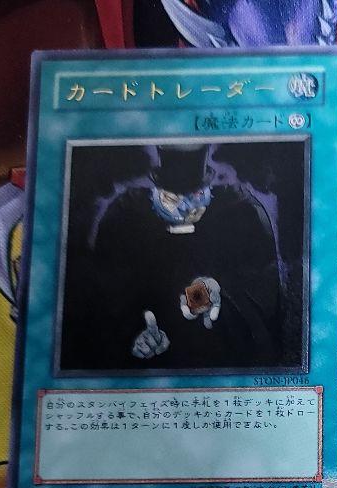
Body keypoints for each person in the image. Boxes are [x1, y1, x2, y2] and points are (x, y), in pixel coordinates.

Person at [59, 144, 289, 370]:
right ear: (155, 194)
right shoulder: (124, 217)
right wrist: (134, 335)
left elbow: (264, 291)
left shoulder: (241, 212)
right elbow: (105, 301)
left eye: (196, 196)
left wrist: (222, 291)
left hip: (218, 357)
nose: (185, 208)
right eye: (171, 199)